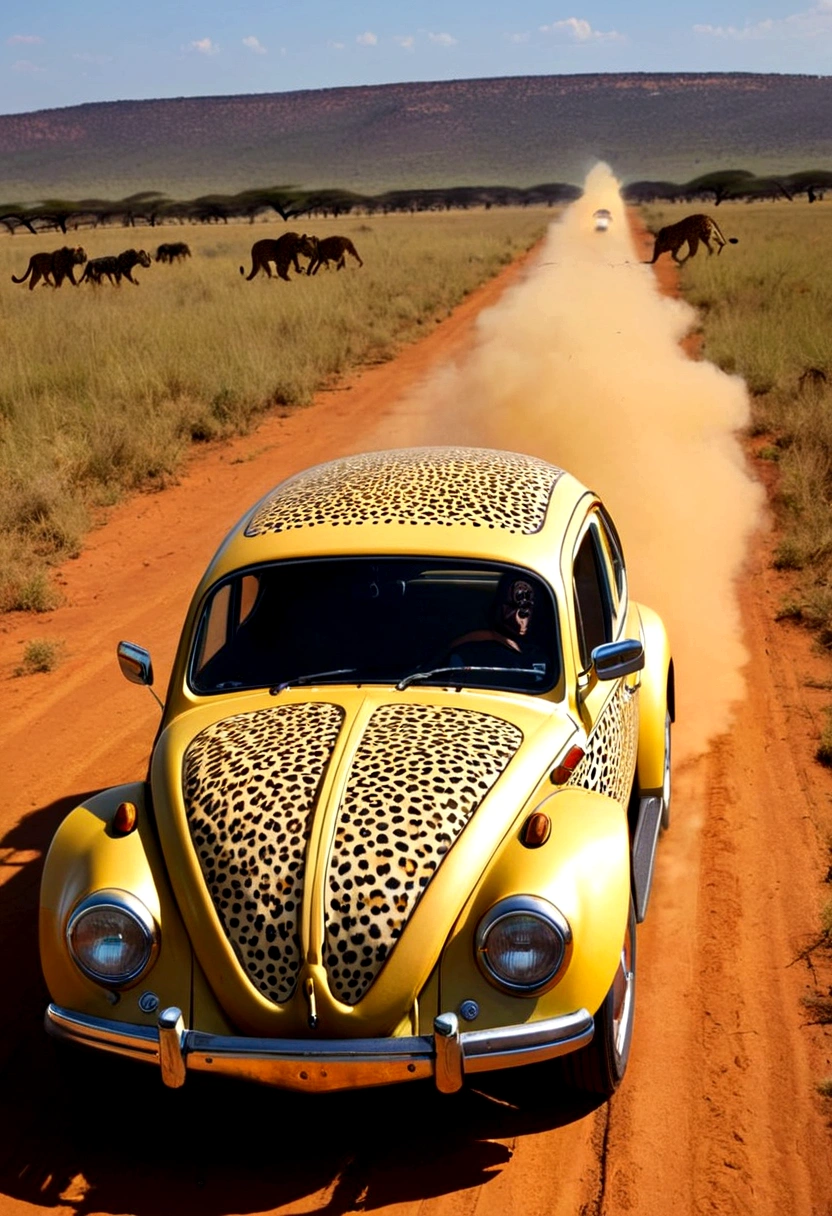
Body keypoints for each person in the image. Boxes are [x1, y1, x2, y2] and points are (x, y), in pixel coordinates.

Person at [447, 574, 549, 672]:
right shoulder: (470, 651)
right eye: (512, 606)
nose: (521, 615)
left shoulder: (548, 654)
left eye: (528, 607)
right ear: (498, 607)